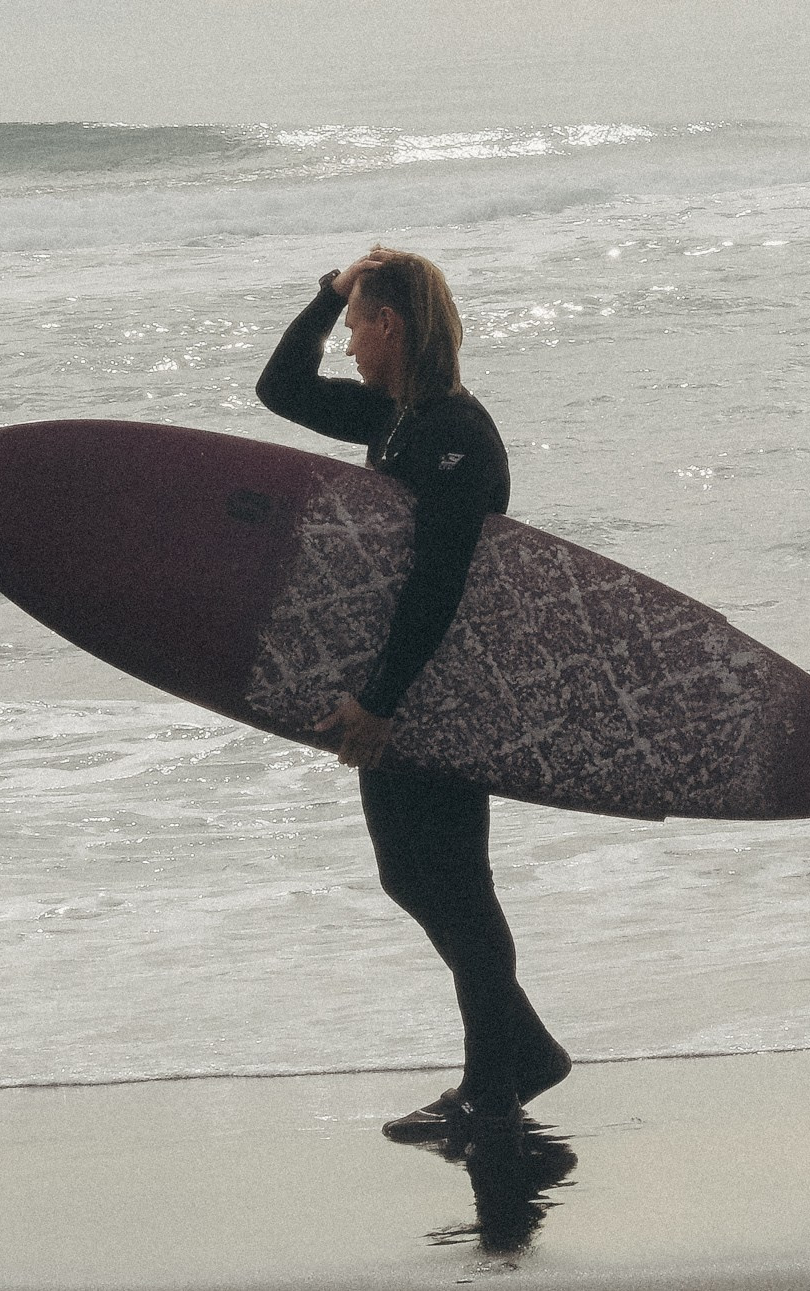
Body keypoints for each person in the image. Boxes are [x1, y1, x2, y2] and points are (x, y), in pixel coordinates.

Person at [256, 245, 571, 1150]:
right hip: (406, 687)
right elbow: (279, 390)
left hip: (437, 692)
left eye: (356, 324)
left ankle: (494, 1085)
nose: (348, 345)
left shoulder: (455, 434)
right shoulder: (396, 421)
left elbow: (439, 579)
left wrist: (381, 700)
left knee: (458, 887)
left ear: (389, 325)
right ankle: (520, 1052)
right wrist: (325, 293)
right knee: (414, 876)